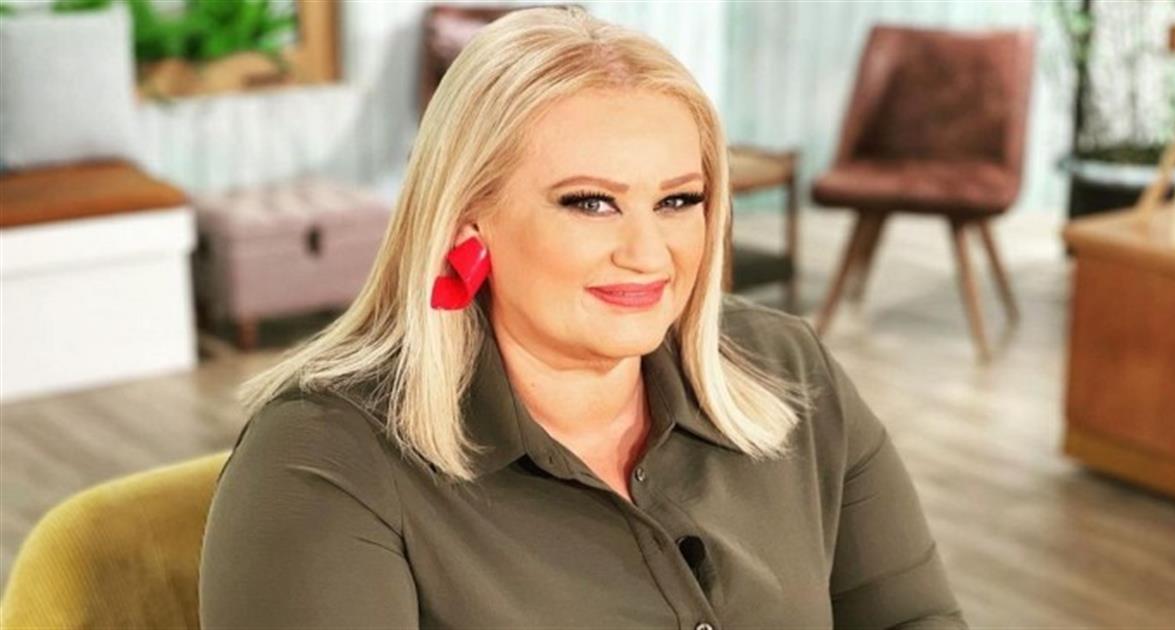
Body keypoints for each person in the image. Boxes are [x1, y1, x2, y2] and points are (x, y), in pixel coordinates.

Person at [199, 6, 968, 629]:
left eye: (678, 200)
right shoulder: (324, 460)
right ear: (467, 222)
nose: (649, 253)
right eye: (591, 203)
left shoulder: (790, 369)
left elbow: (915, 618)